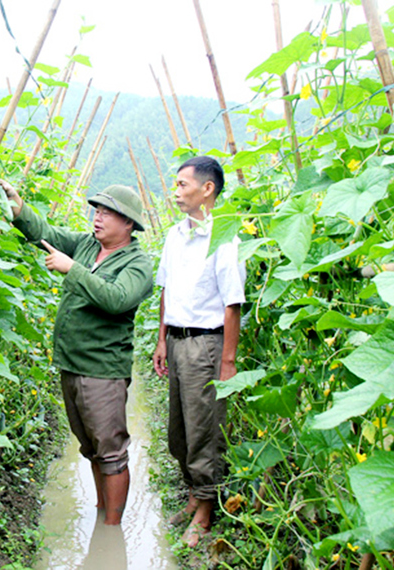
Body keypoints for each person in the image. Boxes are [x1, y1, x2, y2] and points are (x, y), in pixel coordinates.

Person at [0, 180, 154, 525]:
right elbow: (45, 233)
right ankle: (103, 512)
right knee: (92, 449)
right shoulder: (86, 245)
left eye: (108, 213)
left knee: (111, 452)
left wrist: (73, 269)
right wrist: (19, 208)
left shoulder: (138, 264)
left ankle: (112, 532)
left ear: (128, 223)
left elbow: (117, 299)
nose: (98, 218)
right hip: (72, 366)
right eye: (97, 210)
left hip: (102, 371)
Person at [152, 156, 245, 547]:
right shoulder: (175, 235)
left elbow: (232, 304)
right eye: (174, 185)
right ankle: (193, 496)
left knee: (205, 429)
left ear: (207, 189)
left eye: (182, 185)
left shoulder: (226, 238)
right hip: (176, 340)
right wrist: (161, 340)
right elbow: (166, 290)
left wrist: (227, 362)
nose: (176, 192)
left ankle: (206, 511)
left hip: (206, 344)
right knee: (181, 430)